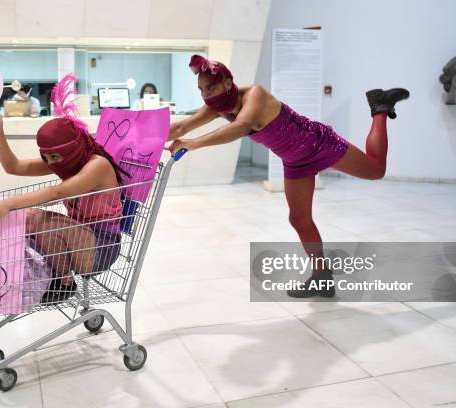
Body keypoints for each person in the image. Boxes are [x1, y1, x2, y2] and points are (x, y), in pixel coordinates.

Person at [168, 55, 409, 298]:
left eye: (210, 87)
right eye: (201, 90)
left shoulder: (255, 95)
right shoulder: (216, 107)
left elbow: (241, 126)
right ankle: (322, 277)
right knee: (299, 219)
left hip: (317, 143)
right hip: (294, 161)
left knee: (376, 170)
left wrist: (193, 144)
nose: (206, 95)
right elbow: (180, 127)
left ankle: (380, 107)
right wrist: (141, 140)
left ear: (228, 83)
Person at [0, 73, 128, 304]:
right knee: (32, 218)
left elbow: (57, 193)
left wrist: (8, 204)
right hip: (79, 236)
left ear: (72, 150)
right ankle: (62, 282)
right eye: (46, 157)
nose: (52, 163)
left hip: (102, 245)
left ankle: (63, 282)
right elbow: (14, 166)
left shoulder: (97, 165)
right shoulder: (65, 162)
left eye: (56, 156)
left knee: (33, 216)